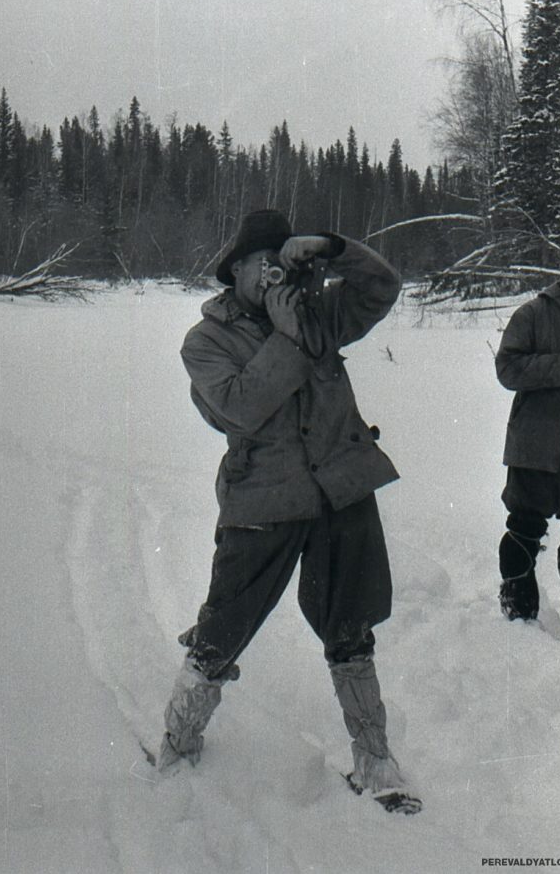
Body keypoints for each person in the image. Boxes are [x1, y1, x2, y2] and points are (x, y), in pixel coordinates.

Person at [155, 209, 421, 814]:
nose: (273, 274)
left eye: (284, 261)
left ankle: (375, 757)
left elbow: (382, 288)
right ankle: (179, 738)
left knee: (350, 626)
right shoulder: (206, 340)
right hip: (263, 498)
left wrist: (333, 245)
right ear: (237, 269)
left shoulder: (319, 310)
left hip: (340, 492)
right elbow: (239, 408)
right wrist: (286, 338)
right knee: (223, 627)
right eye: (261, 263)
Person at [495, 243, 560, 626]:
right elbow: (507, 368)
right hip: (539, 441)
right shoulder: (533, 314)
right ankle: (518, 611)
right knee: (525, 525)